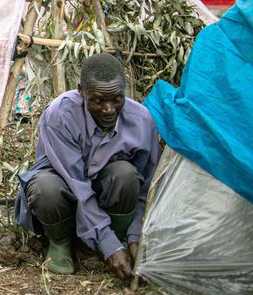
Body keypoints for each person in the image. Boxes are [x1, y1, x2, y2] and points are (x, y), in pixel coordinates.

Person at [14, 54, 160, 279]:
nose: (109, 109)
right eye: (99, 101)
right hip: (65, 194)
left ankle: (104, 242)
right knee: (45, 187)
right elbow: (78, 186)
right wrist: (107, 243)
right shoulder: (61, 114)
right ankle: (61, 242)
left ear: (125, 91)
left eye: (116, 100)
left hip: (105, 198)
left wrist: (134, 236)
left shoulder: (141, 120)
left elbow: (146, 187)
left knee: (125, 175)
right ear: (82, 91)